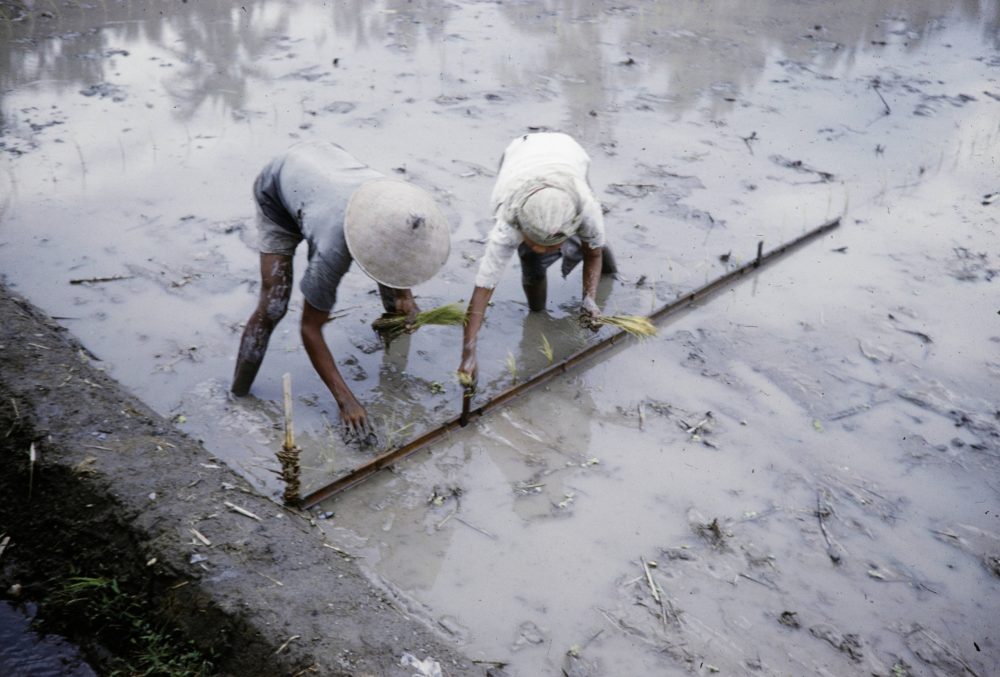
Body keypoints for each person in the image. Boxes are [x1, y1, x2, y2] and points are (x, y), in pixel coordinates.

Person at [231, 140, 450, 434]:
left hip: (326, 163)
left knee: (394, 283)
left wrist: (404, 295)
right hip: (280, 188)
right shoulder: (332, 251)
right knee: (274, 304)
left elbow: (398, 255)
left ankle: (394, 369)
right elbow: (309, 328)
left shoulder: (398, 204)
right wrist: (345, 400)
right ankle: (237, 394)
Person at [458, 132, 615, 383]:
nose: (541, 249)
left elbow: (593, 253)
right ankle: (537, 311)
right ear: (521, 229)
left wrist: (590, 298)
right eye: (535, 242)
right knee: (531, 260)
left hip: (568, 153)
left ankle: (609, 274)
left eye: (548, 245)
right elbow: (482, 291)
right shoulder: (508, 222)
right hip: (520, 154)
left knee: (593, 242)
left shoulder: (585, 208)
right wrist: (468, 353)